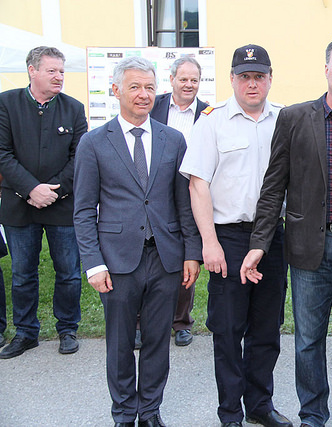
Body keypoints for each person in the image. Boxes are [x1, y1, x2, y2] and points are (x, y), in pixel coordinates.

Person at [240, 35, 332, 427]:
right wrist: (259, 243)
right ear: (326, 69)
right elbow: (273, 187)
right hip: (309, 248)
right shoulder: (294, 119)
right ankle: (312, 415)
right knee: (308, 339)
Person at [73, 56, 202, 427]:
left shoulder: (173, 140)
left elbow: (184, 204)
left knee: (158, 341)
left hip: (165, 258)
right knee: (119, 343)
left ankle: (149, 411)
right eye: (134, 87)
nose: (143, 94)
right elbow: (83, 210)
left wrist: (191, 253)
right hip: (117, 261)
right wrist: (93, 263)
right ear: (116, 90)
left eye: (149, 87)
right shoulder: (94, 143)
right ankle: (124, 414)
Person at [180, 44, 291, 427]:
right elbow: (198, 185)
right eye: (245, 76)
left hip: (272, 237)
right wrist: (209, 243)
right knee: (228, 330)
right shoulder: (212, 122)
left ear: (270, 79)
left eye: (259, 76)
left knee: (267, 328)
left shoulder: (285, 120)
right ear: (232, 79)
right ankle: (230, 413)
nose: (252, 84)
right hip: (228, 238)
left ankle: (260, 405)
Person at [0, 46, 86, 359]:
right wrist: (31, 189)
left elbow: (80, 157)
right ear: (32, 71)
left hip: (62, 204)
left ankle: (68, 329)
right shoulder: (6, 103)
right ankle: (25, 333)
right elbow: (2, 153)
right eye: (52, 71)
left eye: (62, 71)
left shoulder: (73, 108)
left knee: (69, 272)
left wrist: (53, 191)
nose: (59, 76)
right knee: (23, 274)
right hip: (18, 204)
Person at [149, 56, 209, 347]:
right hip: (154, 190)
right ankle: (141, 322)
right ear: (171, 79)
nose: (188, 85)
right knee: (148, 255)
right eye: (183, 79)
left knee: (188, 253)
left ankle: (181, 321)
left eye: (194, 80)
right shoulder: (153, 105)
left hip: (190, 190)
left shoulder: (208, 113)